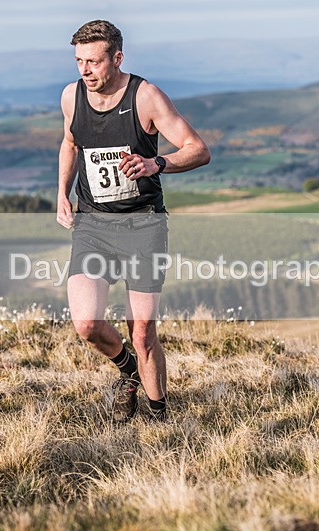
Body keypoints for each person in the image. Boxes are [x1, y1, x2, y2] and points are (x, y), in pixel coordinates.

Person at [56, 20, 210, 423]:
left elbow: (198, 149)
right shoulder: (71, 97)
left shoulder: (146, 96)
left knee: (142, 333)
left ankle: (159, 416)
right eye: (78, 61)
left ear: (117, 58)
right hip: (93, 225)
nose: (84, 70)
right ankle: (127, 370)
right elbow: (70, 144)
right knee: (87, 324)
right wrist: (61, 194)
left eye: (93, 61)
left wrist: (155, 162)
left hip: (144, 226)